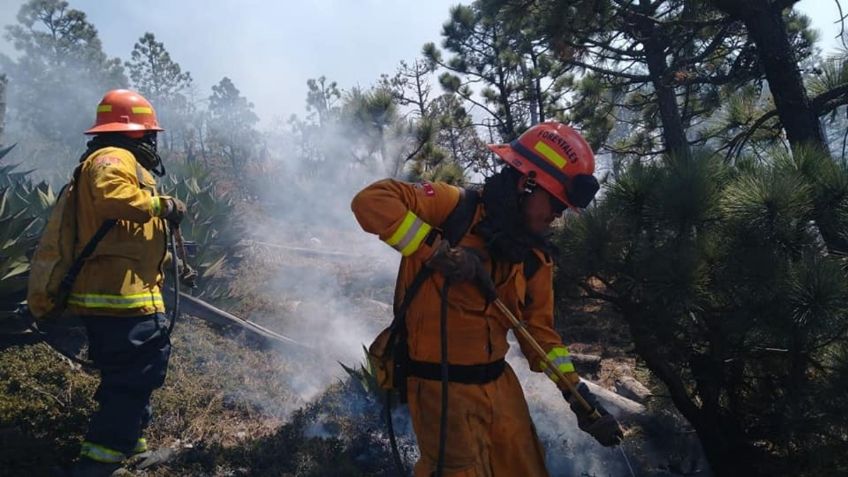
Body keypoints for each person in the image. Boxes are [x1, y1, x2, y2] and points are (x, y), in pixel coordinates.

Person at [351, 122, 623, 476]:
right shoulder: (455, 208)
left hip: (500, 386)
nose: (556, 217)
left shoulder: (534, 256)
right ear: (527, 184)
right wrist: (435, 251)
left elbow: (542, 335)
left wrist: (578, 396)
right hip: (441, 388)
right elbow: (369, 202)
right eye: (555, 204)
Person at [69, 89, 186, 476]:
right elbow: (112, 198)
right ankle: (100, 464)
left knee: (131, 373)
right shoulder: (112, 158)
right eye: (149, 132)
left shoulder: (118, 158)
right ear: (136, 131)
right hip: (119, 297)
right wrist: (160, 205)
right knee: (138, 372)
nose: (153, 140)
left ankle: (131, 446)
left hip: (124, 290)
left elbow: (125, 235)